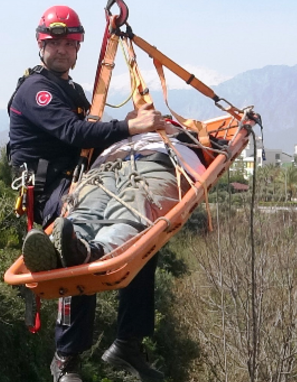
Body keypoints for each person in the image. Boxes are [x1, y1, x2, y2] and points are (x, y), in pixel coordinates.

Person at [8, 5, 168, 382]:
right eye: (54, 43)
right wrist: (128, 127)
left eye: (69, 43)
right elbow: (74, 134)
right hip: (51, 191)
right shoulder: (37, 91)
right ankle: (66, 359)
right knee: (74, 252)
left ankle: (129, 340)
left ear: (78, 48)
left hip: (81, 180)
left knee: (145, 238)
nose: (62, 50)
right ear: (40, 44)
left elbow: (88, 143)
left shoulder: (73, 90)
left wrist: (141, 136)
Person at [22, 130, 205, 382]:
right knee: (84, 211)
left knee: (132, 211)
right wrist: (131, 127)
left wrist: (179, 133)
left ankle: (89, 252)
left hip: (159, 164)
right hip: (106, 166)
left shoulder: (183, 134)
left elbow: (211, 144)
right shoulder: (128, 128)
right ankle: (68, 248)